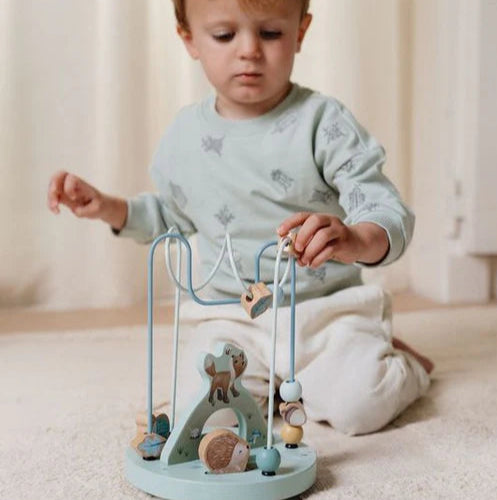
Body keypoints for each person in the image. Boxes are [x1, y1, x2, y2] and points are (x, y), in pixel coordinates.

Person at [47, 0, 433, 435]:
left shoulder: (324, 123)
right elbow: (170, 217)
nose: (249, 50)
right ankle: (275, 386)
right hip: (230, 317)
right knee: (201, 414)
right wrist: (108, 207)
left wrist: (357, 239)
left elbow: (385, 209)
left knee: (361, 404)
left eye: (270, 34)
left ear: (301, 32)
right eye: (225, 35)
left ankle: (402, 366)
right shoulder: (185, 137)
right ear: (189, 39)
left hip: (325, 316)